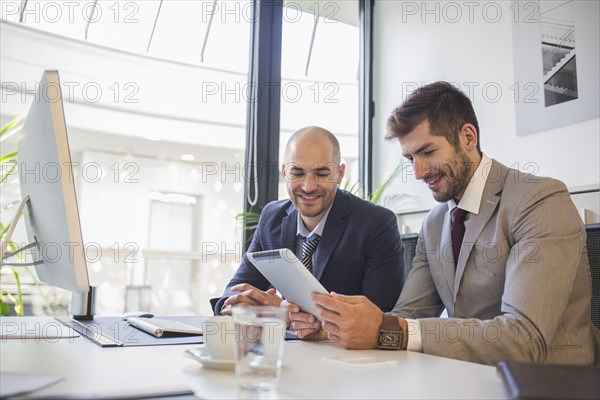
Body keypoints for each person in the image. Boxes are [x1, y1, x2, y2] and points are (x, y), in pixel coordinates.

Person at [290, 82, 598, 365]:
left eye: (427, 152)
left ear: (467, 137)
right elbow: (406, 317)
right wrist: (335, 327)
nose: (420, 172)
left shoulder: (539, 199)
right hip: (464, 377)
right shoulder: (435, 223)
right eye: (410, 159)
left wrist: (391, 329)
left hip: (551, 383)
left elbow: (524, 338)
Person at [212, 126, 404, 316]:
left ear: (340, 174)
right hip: (287, 346)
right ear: (285, 173)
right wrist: (240, 306)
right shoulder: (272, 218)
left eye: (322, 173)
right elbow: (235, 290)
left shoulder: (377, 223)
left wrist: (285, 315)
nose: (309, 186)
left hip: (343, 347)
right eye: (297, 173)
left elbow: (380, 318)